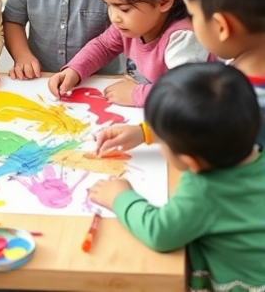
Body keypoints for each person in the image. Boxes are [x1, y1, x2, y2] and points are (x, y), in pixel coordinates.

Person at [89, 63, 265, 291]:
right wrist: (145, 132)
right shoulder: (245, 142)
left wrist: (119, 197)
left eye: (164, 143)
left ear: (190, 162)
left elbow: (159, 233)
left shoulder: (203, 190)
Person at [96, 0, 265, 153]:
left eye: (193, 15)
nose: (189, 23)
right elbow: (199, 121)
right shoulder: (238, 71)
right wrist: (145, 133)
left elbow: (205, 129)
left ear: (222, 27)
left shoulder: (245, 99)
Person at [48, 0, 213, 107]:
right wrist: (75, 70)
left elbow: (187, 92)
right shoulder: (133, 25)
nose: (114, 17)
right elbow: (103, 46)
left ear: (163, 2)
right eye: (109, 5)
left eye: (124, 9)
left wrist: (136, 94)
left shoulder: (183, 38)